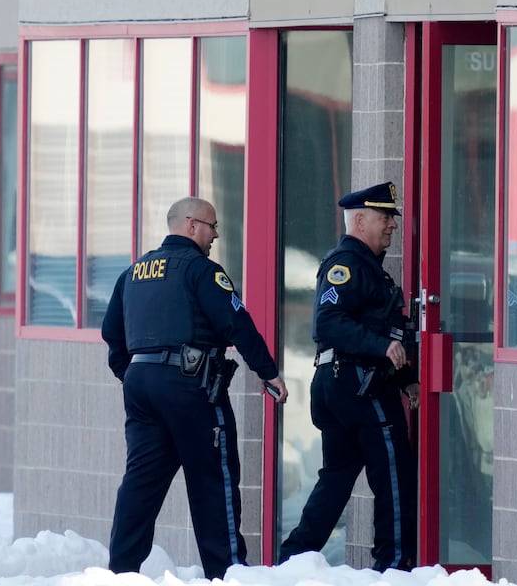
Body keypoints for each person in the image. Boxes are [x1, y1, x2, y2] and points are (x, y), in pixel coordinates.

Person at [101, 196, 288, 580]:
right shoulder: (201, 270)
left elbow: (112, 334)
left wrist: (136, 376)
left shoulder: (133, 273)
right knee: (213, 481)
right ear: (191, 225)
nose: (215, 235)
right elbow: (236, 322)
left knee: (140, 483)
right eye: (212, 226)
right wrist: (268, 372)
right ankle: (227, 575)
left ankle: (120, 573)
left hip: (142, 386)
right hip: (191, 386)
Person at [279, 181, 418, 572]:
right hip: (358, 384)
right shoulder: (347, 264)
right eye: (384, 217)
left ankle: (292, 561)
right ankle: (393, 567)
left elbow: (377, 328)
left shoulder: (368, 268)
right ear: (360, 221)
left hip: (346, 383)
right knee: (393, 473)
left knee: (336, 479)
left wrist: (405, 378)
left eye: (392, 217)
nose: (392, 224)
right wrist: (381, 347)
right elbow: (329, 323)